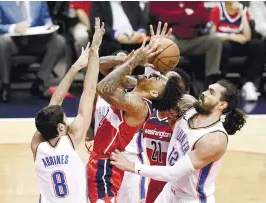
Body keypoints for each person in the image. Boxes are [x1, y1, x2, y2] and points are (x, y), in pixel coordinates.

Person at [87, 23, 184, 203]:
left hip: (119, 164)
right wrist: (130, 58)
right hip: (104, 162)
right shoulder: (132, 87)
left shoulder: (140, 106)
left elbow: (102, 88)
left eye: (160, 79)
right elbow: (96, 67)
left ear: (155, 93)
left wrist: (133, 62)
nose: (156, 75)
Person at [110, 79, 247, 203]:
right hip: (170, 190)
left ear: (222, 104)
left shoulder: (214, 140)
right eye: (207, 89)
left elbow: (173, 173)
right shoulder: (189, 109)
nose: (204, 93)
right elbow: (159, 93)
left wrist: (131, 166)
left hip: (191, 199)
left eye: (211, 92)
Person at [30, 18, 104, 203]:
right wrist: (93, 52)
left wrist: (76, 65)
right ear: (61, 128)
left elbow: (55, 102)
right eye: (65, 119)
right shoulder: (71, 140)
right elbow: (88, 93)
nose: (68, 121)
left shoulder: (36, 145)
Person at [0, 1, 68, 102]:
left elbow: (46, 19)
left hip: (35, 41)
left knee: (59, 41)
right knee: (1, 41)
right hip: (12, 42)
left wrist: (49, 25)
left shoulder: (39, 2)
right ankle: (5, 85)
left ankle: (39, 83)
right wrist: (13, 28)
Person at [209, 1, 265, 101]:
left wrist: (242, 16)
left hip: (237, 44)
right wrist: (230, 37)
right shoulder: (218, 9)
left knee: (258, 45)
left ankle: (249, 83)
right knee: (225, 46)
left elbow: (247, 37)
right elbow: (211, 36)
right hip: (222, 43)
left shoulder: (243, 10)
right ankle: (221, 85)